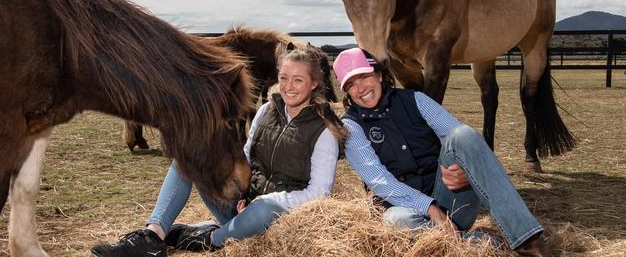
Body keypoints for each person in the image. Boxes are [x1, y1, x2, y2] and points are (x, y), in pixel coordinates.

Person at [91, 47, 346, 256]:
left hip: (277, 218)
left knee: (263, 210)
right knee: (189, 159)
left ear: (314, 84)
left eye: (298, 80)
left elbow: (319, 192)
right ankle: (153, 235)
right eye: (283, 78)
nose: (289, 87)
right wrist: (244, 192)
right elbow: (247, 157)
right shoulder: (267, 111)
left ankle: (207, 239)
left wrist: (267, 201)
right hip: (242, 207)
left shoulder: (323, 129)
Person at [332, 47, 552, 257]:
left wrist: (465, 174)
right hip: (408, 212)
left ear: (379, 75)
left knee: (463, 134)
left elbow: (458, 140)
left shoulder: (415, 99)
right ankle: (483, 243)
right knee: (395, 222)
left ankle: (528, 242)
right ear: (347, 92)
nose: (360, 88)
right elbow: (380, 182)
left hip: (452, 199)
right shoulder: (352, 126)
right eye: (351, 84)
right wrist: (430, 209)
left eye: (365, 77)